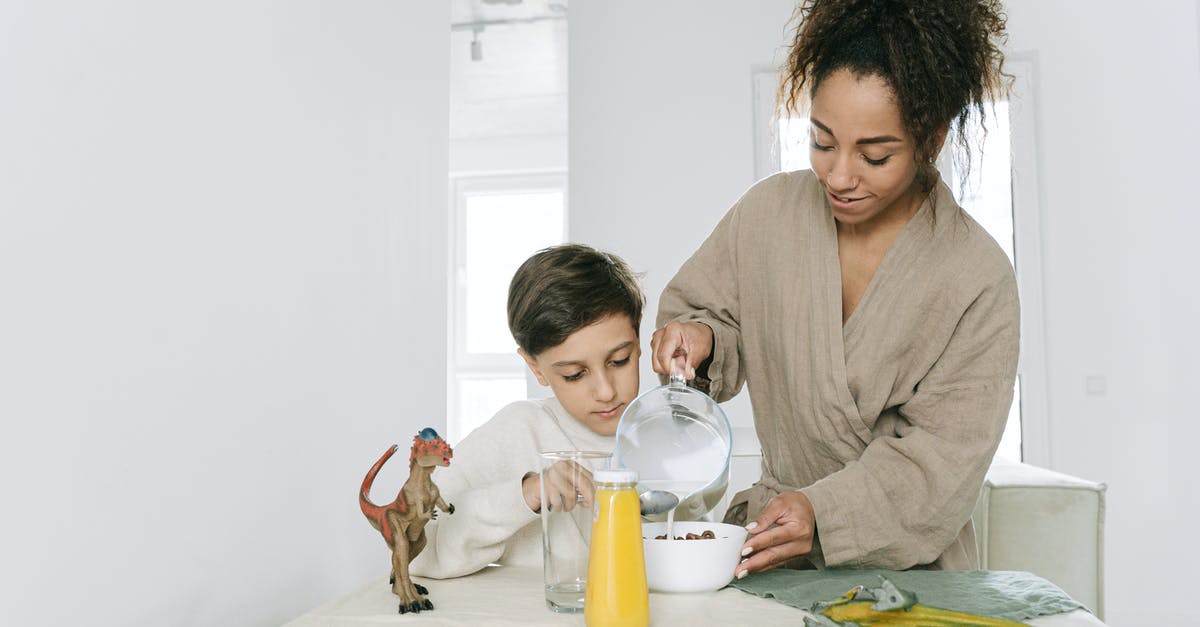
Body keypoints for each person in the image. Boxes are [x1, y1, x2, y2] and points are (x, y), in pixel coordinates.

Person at [651, 0, 1017, 577]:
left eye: (875, 156)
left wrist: (822, 512)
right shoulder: (766, 214)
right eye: (822, 142)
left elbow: (941, 465)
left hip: (910, 574)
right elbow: (709, 312)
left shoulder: (977, 278)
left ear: (933, 141)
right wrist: (699, 339)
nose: (840, 176)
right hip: (770, 548)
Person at [411, 243, 645, 578]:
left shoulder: (670, 435)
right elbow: (419, 548)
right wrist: (526, 494)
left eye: (620, 360)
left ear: (638, 336)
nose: (606, 391)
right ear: (535, 368)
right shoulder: (518, 431)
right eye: (574, 375)